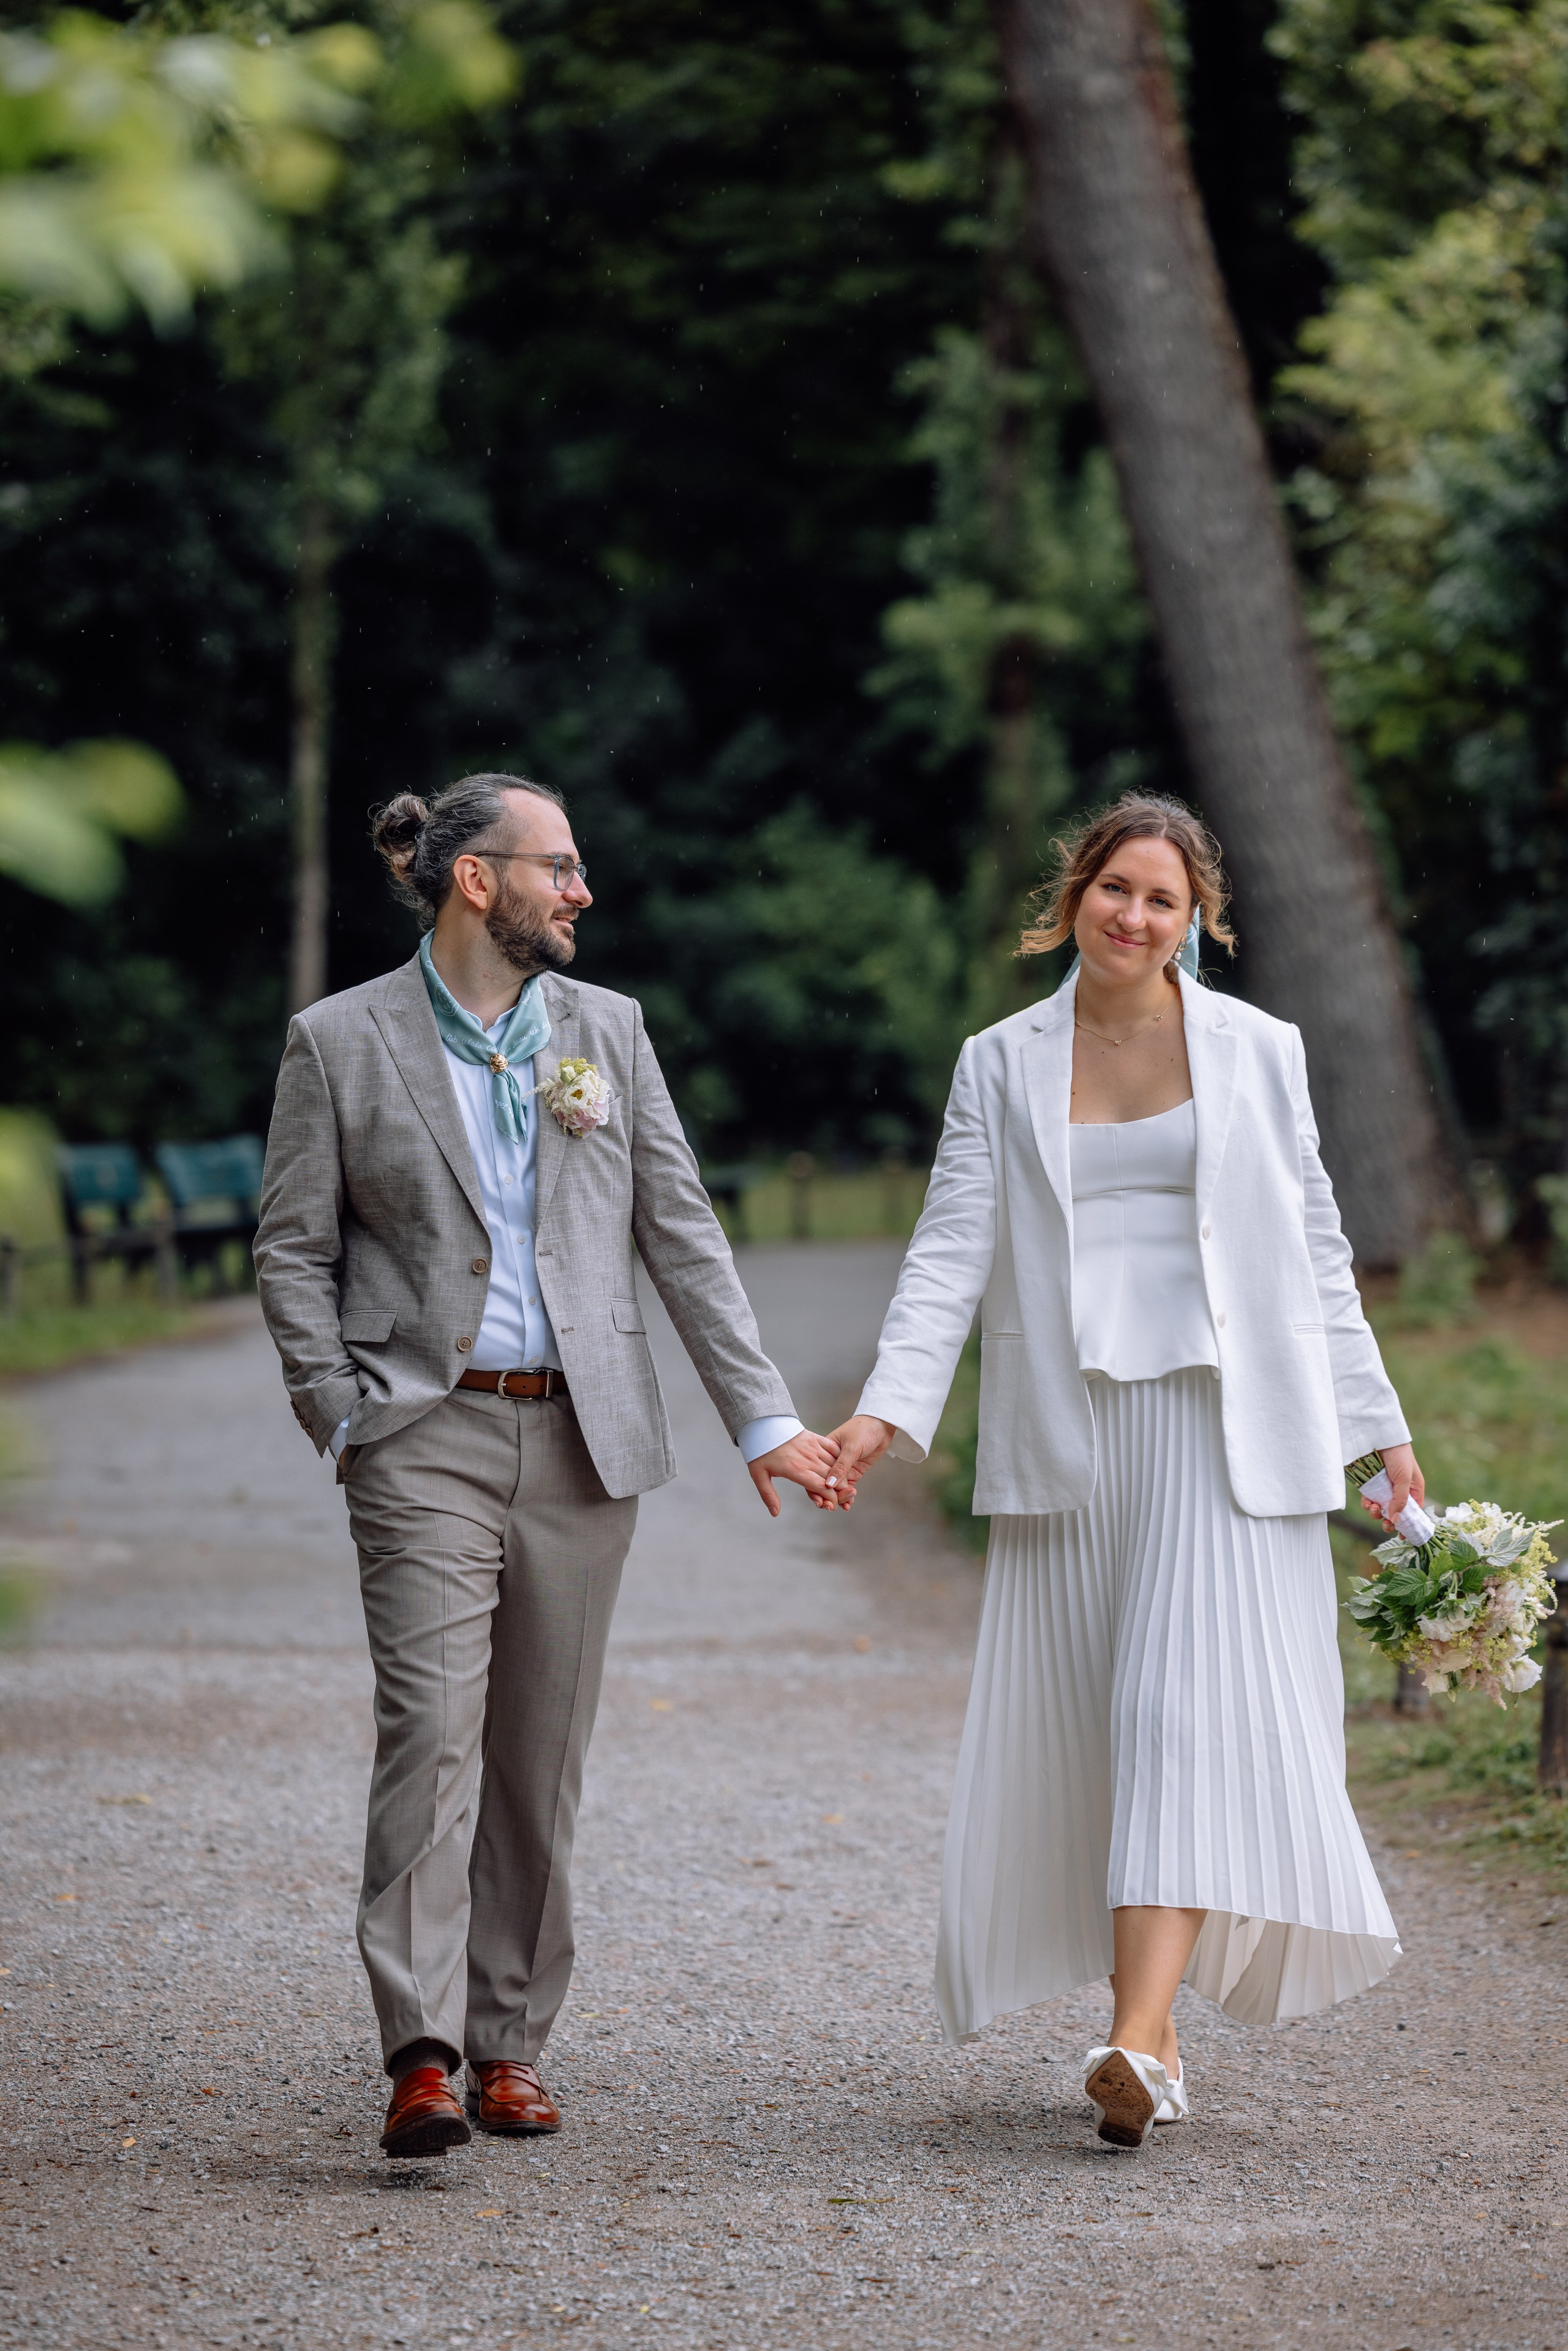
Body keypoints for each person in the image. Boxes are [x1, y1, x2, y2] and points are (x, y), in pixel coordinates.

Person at [254, 771, 842, 2159]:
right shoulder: (339, 1040)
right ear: (478, 880)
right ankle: (420, 2051)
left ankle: (509, 2039)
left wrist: (761, 1416)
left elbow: (680, 1230)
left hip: (584, 1438)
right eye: (557, 865)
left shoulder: (607, 1031)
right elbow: (292, 1245)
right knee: (431, 1734)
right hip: (421, 1434)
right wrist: (338, 1408)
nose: (581, 889)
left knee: (538, 1752)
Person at [825, 791, 1422, 2148]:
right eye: (1115, 887)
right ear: (1074, 894)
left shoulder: (1261, 1050)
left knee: (1178, 1715)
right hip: (1074, 1437)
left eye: (1163, 899)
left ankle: (1137, 2036)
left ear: (1195, 919)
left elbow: (1316, 1251)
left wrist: (1375, 1427)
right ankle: (1147, 2039)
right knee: (1109, 1734)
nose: (1134, 916)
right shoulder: (998, 1063)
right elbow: (948, 1250)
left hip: (1226, 1434)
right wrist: (881, 1416)